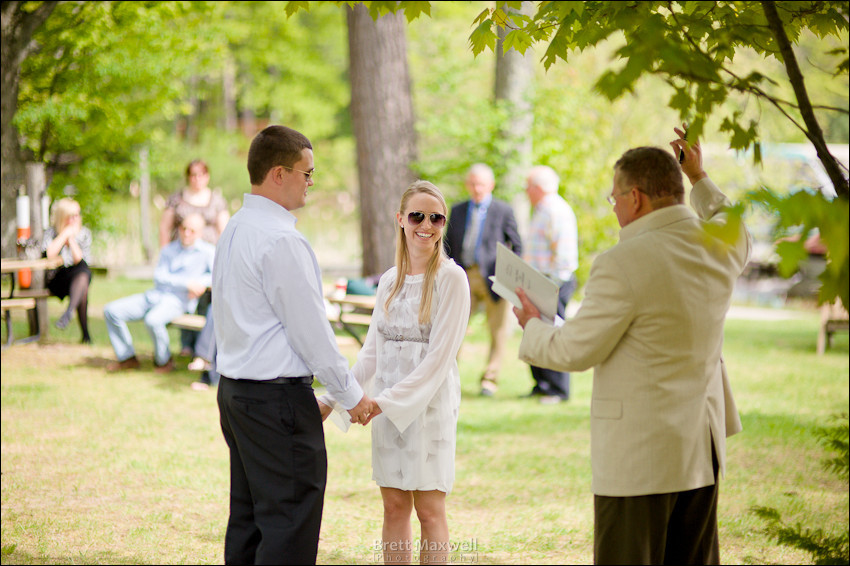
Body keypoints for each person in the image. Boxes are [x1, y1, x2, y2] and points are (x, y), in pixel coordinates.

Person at [512, 126, 751, 565]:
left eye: (614, 198)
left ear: (635, 198)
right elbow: (732, 221)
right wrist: (699, 176)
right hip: (702, 447)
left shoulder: (622, 262)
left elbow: (573, 351)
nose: (615, 207)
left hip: (640, 458)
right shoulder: (721, 245)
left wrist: (532, 324)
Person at [212, 125, 371, 565]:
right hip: (274, 399)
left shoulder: (236, 228)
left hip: (238, 394)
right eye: (307, 173)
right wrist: (350, 396)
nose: (311, 182)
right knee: (289, 524)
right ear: (279, 173)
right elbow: (311, 333)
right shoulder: (281, 239)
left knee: (249, 520)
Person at [318, 180, 470, 565]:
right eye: (417, 215)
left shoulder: (452, 280)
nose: (427, 225)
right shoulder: (388, 280)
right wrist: (333, 398)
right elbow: (371, 354)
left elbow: (438, 362)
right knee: (394, 506)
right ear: (400, 219)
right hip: (385, 410)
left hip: (428, 409)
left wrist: (379, 405)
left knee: (430, 509)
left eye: (436, 218)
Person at [444, 163, 522, 397]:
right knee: (452, 328)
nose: (477, 188)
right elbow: (446, 245)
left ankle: (490, 379)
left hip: (494, 278)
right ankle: (447, 375)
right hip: (463, 275)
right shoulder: (457, 210)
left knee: (497, 330)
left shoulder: (503, 211)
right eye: (473, 183)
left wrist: (508, 277)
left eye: (481, 184)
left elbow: (517, 245)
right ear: (467, 185)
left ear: (491, 185)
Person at [103, 213, 214, 373]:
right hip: (155, 295)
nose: (186, 233)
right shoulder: (169, 249)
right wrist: (187, 283)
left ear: (200, 233)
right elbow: (159, 277)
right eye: (184, 228)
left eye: (192, 230)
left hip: (178, 301)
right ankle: (127, 357)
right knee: (111, 311)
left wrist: (200, 283)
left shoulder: (208, 252)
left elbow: (217, 275)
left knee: (153, 320)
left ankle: (164, 361)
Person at [159, 159, 229, 357]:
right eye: (193, 175)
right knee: (184, 294)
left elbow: (223, 230)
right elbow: (165, 227)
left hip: (208, 258)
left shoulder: (215, 200)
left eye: (201, 174)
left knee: (205, 300)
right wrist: (166, 256)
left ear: (207, 176)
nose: (197, 179)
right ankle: (186, 344)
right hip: (182, 256)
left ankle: (204, 347)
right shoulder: (177, 198)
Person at [522, 166, 579, 404]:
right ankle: (542, 384)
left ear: (538, 188)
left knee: (553, 334)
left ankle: (558, 389)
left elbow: (564, 255)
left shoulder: (556, 210)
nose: (526, 192)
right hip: (539, 281)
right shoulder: (542, 209)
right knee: (535, 331)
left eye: (528, 187)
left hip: (553, 282)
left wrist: (551, 285)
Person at [41, 198, 93, 343]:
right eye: (71, 216)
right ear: (62, 216)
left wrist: (71, 240)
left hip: (76, 278)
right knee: (83, 281)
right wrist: (64, 234)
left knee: (83, 273)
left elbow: (80, 260)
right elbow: (49, 254)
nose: (75, 219)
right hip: (56, 279)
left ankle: (69, 313)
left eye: (77, 215)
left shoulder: (84, 233)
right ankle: (84, 334)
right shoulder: (51, 232)